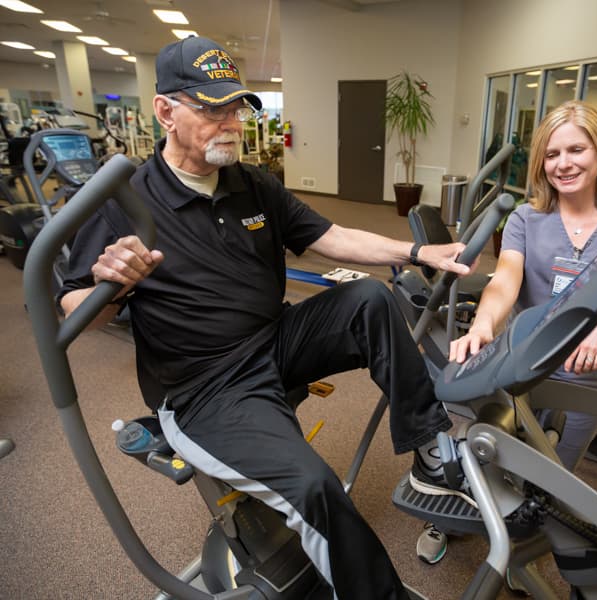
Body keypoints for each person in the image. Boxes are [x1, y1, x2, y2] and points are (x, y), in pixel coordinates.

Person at [59, 35, 474, 600]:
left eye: (235, 106)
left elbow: (334, 236)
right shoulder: (124, 198)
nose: (231, 122)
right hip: (205, 387)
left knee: (370, 300)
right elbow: (72, 307)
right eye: (212, 109)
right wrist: (111, 284)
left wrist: (418, 252)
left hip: (275, 339)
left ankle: (429, 452)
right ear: (165, 112)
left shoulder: (252, 184)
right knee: (314, 486)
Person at [417, 99, 597, 564]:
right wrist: (483, 325)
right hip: (522, 372)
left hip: (586, 380)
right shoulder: (527, 219)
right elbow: (505, 281)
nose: (563, 164)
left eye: (576, 150)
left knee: (553, 481)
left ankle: (520, 552)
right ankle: (446, 519)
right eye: (551, 154)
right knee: (486, 462)